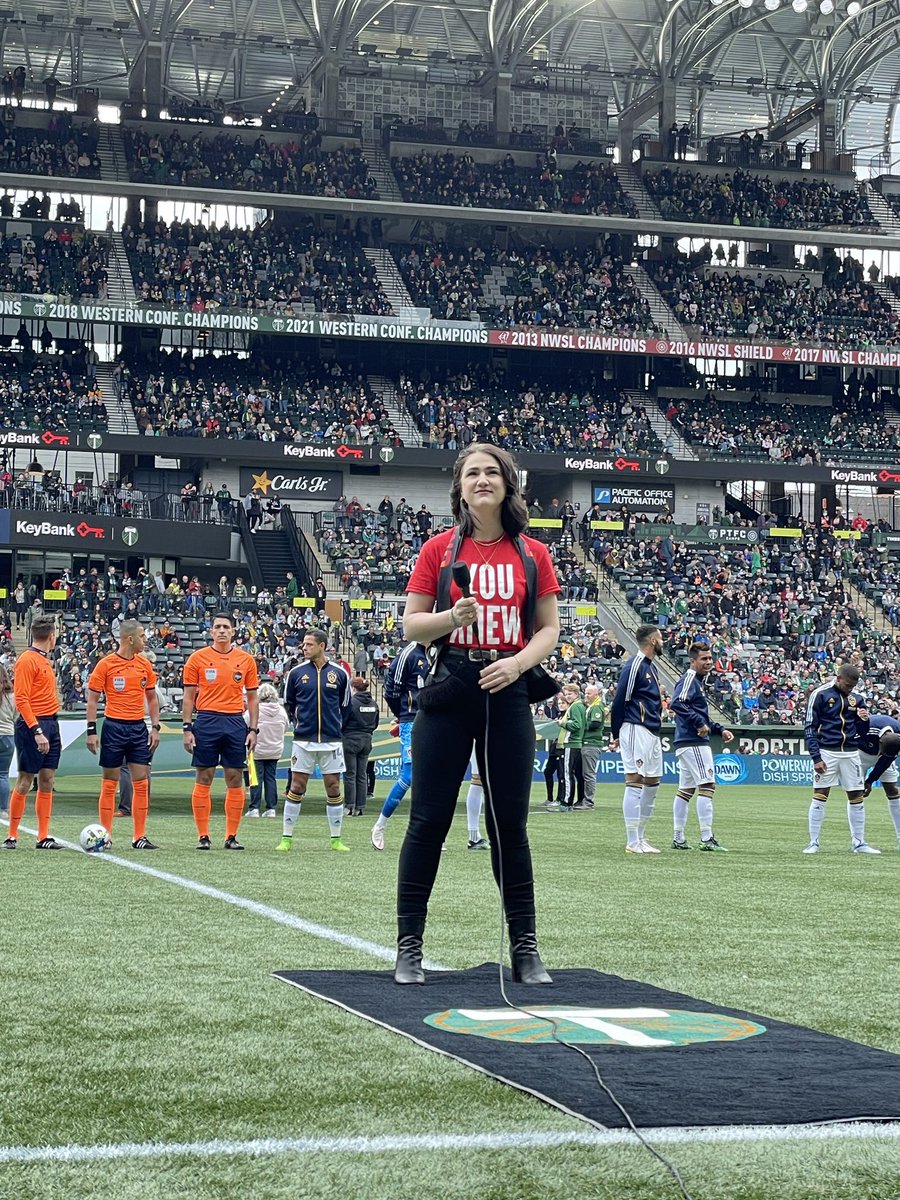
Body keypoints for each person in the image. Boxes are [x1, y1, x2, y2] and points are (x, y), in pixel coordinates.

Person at [394, 443, 561, 986]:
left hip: (506, 689)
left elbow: (549, 630)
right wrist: (451, 617)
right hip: (450, 688)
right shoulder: (437, 551)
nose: (482, 480)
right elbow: (411, 627)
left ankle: (526, 949)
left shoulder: (534, 553)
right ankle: (408, 948)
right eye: (473, 473)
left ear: (508, 485)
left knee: (509, 825)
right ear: (459, 487)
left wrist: (516, 666)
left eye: (492, 472)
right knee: (428, 822)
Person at [182, 613, 259, 850]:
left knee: (234, 777)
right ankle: (203, 836)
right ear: (211, 632)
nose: (222, 630)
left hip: (235, 722)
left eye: (226, 627)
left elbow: (253, 698)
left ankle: (231, 836)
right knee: (204, 776)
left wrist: (253, 729)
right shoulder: (197, 658)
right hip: (206, 721)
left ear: (233, 631)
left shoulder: (246, 660)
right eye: (218, 627)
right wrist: (187, 727)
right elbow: (188, 697)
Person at [86, 619, 161, 850]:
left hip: (138, 728)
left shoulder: (144, 665)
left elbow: (151, 697)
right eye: (142, 636)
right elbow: (93, 698)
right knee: (110, 783)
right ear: (130, 639)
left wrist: (155, 727)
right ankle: (104, 836)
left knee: (141, 782)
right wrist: (91, 730)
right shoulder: (106, 664)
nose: (145, 640)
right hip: (113, 727)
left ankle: (139, 836)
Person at [280, 628, 352, 852]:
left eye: (309, 644)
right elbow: (288, 703)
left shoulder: (340, 674)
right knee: (297, 785)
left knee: (333, 786)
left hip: (331, 740)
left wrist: (336, 727)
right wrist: (299, 725)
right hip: (303, 740)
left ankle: (336, 839)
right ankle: (286, 838)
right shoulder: (296, 673)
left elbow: (346, 706)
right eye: (304, 644)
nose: (304, 648)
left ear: (322, 646)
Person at [803, 664, 878, 855]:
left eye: (852, 686)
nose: (849, 689)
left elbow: (862, 732)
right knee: (820, 794)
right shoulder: (820, 694)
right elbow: (810, 727)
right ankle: (813, 842)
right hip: (827, 751)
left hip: (851, 753)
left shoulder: (857, 698)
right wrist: (816, 756)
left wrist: (864, 719)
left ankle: (859, 842)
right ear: (838, 678)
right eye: (847, 685)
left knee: (856, 795)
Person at [4, 615, 64, 850]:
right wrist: (37, 730)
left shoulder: (44, 659)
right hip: (34, 725)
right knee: (25, 780)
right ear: (51, 635)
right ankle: (11, 836)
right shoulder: (28, 660)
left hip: (51, 722)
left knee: (47, 779)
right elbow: (22, 699)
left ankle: (43, 836)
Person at [670, 643, 734, 852]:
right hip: (693, 741)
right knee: (707, 786)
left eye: (709, 658)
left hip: (686, 741)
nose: (708, 662)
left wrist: (719, 729)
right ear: (693, 661)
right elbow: (677, 703)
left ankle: (678, 838)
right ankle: (706, 838)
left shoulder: (697, 682)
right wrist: (699, 723)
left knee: (686, 791)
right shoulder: (689, 679)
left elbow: (698, 713)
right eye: (704, 659)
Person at [610, 623, 664, 855]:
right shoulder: (635, 665)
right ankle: (632, 841)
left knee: (652, 785)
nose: (663, 642)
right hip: (635, 727)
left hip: (651, 731)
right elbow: (621, 698)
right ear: (653, 640)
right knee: (635, 782)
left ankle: (641, 837)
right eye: (660, 638)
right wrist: (616, 732)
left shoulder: (652, 667)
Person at [372, 640, 429, 850]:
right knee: (409, 776)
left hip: (437, 720)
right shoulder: (409, 654)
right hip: (412, 721)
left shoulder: (440, 650)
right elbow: (391, 691)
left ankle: (429, 833)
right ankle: (380, 825)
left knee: (434, 778)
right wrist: (404, 716)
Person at [244, 682, 289, 818]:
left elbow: (244, 724)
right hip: (275, 749)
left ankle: (254, 808)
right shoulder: (281, 711)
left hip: (256, 750)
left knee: (255, 779)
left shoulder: (254, 709)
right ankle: (271, 808)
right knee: (271, 779)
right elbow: (286, 727)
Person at [859, 715, 900, 849]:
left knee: (892, 790)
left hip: (884, 758)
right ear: (880, 741)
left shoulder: (896, 738)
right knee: (856, 793)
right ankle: (858, 840)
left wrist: (870, 781)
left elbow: (885, 761)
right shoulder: (868, 727)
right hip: (861, 754)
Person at [342, 676, 379, 817]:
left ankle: (349, 805)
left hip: (351, 739)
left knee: (350, 774)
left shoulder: (351, 702)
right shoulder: (374, 704)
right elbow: (375, 724)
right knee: (362, 774)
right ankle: (360, 806)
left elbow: (343, 721)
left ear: (353, 688)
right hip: (367, 739)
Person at [557, 682, 586, 810]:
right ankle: (567, 800)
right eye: (566, 694)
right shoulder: (578, 705)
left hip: (571, 743)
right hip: (575, 743)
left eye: (570, 694)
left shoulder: (575, 707)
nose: (567, 696)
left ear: (576, 694)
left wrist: (562, 723)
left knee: (567, 773)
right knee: (569, 773)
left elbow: (576, 725)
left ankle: (566, 801)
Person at [580, 683, 607, 811]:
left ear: (596, 694)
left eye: (589, 693)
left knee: (589, 774)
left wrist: (580, 725)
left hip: (591, 743)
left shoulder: (596, 707)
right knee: (586, 773)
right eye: (585, 693)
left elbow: (595, 724)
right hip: (587, 743)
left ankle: (589, 801)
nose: (586, 695)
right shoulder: (591, 706)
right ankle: (584, 799)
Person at [0, 664, 14, 818]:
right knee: (3, 774)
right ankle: (3, 809)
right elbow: (16, 716)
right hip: (8, 735)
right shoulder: (12, 696)